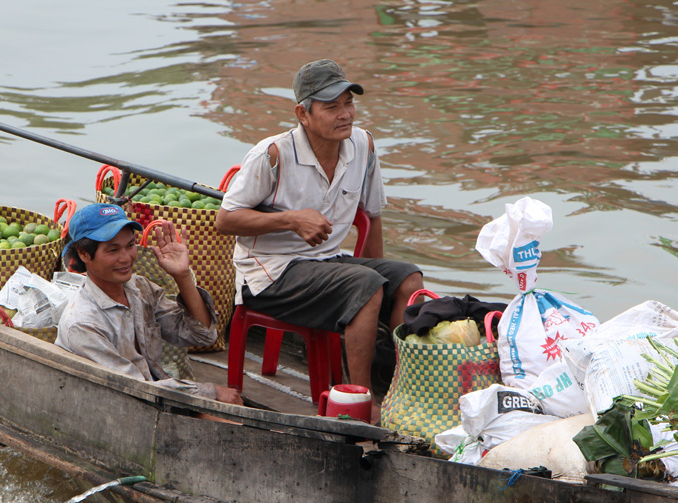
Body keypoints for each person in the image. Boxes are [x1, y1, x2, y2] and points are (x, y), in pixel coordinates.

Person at [215, 58, 423, 421]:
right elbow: (225, 219)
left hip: (327, 263)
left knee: (407, 279)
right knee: (367, 286)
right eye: (331, 107)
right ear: (303, 114)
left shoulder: (364, 147)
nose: (345, 114)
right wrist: (291, 220)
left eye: (348, 103)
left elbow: (372, 218)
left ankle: (400, 388)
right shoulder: (273, 154)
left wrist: (380, 275)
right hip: (269, 275)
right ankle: (359, 403)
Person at [56, 203, 244, 406]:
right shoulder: (83, 323)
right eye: (113, 250)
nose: (126, 258)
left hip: (152, 394)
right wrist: (211, 392)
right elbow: (137, 388)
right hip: (121, 406)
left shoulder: (140, 288)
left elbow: (203, 335)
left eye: (130, 245)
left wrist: (182, 276)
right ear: (84, 254)